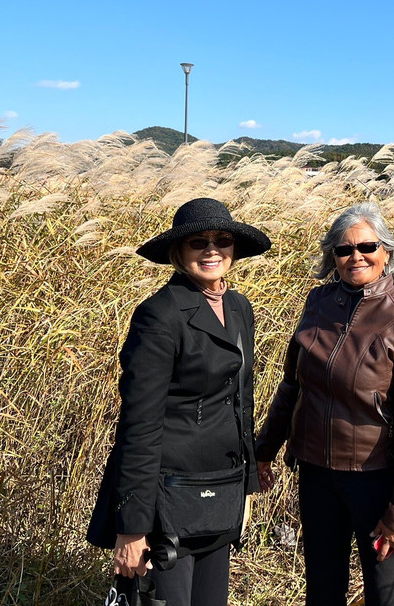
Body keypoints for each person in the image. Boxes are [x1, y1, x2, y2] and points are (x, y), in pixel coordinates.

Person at [87, 197, 271, 606]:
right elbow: (139, 424)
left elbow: (241, 399)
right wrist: (132, 527)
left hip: (220, 489)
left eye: (222, 240)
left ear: (234, 248)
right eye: (197, 242)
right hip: (168, 494)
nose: (211, 251)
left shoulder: (239, 308)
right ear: (178, 252)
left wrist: (249, 477)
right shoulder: (159, 314)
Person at [255, 202, 394, 606]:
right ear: (333, 258)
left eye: (367, 246)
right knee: (322, 590)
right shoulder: (319, 303)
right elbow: (293, 386)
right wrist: (263, 450)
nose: (356, 256)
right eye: (344, 249)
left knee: (386, 597)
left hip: (375, 481)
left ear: (386, 252)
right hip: (317, 476)